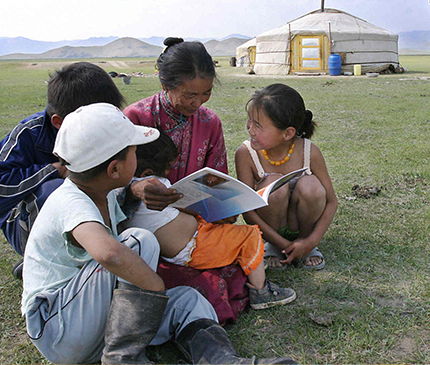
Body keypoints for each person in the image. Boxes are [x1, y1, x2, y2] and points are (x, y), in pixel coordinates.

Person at [22, 103, 295, 365]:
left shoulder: (103, 192)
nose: (137, 158)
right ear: (115, 169)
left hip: (102, 326)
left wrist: (134, 190)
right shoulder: (71, 200)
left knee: (189, 300)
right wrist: (154, 286)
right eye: (133, 151)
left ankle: (222, 360)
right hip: (57, 328)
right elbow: (108, 253)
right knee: (139, 242)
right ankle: (123, 359)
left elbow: (121, 205)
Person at [0, 62, 126, 277]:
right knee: (57, 190)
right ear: (59, 122)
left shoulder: (106, 129)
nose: (104, 125)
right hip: (28, 222)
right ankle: (40, 262)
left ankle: (98, 255)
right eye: (96, 120)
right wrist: (54, 170)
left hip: (89, 218)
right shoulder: (29, 134)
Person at [123, 129, 296, 310]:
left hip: (181, 247)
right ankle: (261, 292)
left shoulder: (124, 193)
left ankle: (254, 267)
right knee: (249, 235)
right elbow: (190, 209)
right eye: (168, 168)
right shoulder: (156, 186)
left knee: (230, 235)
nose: (169, 173)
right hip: (195, 246)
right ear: (148, 172)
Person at [235, 84, 338, 270]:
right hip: (270, 231)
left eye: (258, 125)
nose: (250, 130)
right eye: (249, 121)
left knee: (312, 186)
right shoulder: (246, 154)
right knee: (273, 185)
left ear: (288, 133)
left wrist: (311, 242)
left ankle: (306, 245)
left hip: (304, 230)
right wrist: (283, 245)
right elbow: (248, 211)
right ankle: (273, 246)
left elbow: (331, 202)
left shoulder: (309, 152)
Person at [124, 37, 227, 210]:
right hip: (144, 218)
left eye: (206, 93)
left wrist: (223, 204)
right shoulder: (135, 118)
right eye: (190, 95)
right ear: (165, 84)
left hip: (196, 215)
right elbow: (109, 182)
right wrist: (135, 189)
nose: (198, 103)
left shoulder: (210, 122)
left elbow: (218, 179)